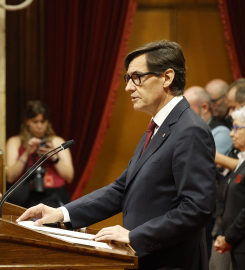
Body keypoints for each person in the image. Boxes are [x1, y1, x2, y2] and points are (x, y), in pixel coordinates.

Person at [17, 40, 216, 270]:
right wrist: (61, 212)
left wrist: (135, 236)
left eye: (137, 77)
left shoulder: (189, 129)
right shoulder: (157, 127)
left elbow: (197, 209)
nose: (128, 87)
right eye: (128, 78)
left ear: (167, 78)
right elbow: (122, 189)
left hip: (172, 262)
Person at [5, 100, 74, 208]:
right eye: (35, 121)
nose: (39, 126)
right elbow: (10, 177)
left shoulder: (57, 141)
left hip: (55, 195)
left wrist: (53, 156)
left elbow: (69, 177)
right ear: (27, 121)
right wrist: (26, 153)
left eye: (43, 121)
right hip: (26, 196)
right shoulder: (15, 142)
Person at [213, 106, 245, 270]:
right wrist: (221, 233)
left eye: (236, 128)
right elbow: (229, 203)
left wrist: (229, 238)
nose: (231, 133)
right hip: (234, 243)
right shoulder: (240, 163)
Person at [184, 86, 232, 155]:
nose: (184, 115)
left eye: (188, 109)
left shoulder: (221, 132)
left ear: (204, 108)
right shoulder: (189, 130)